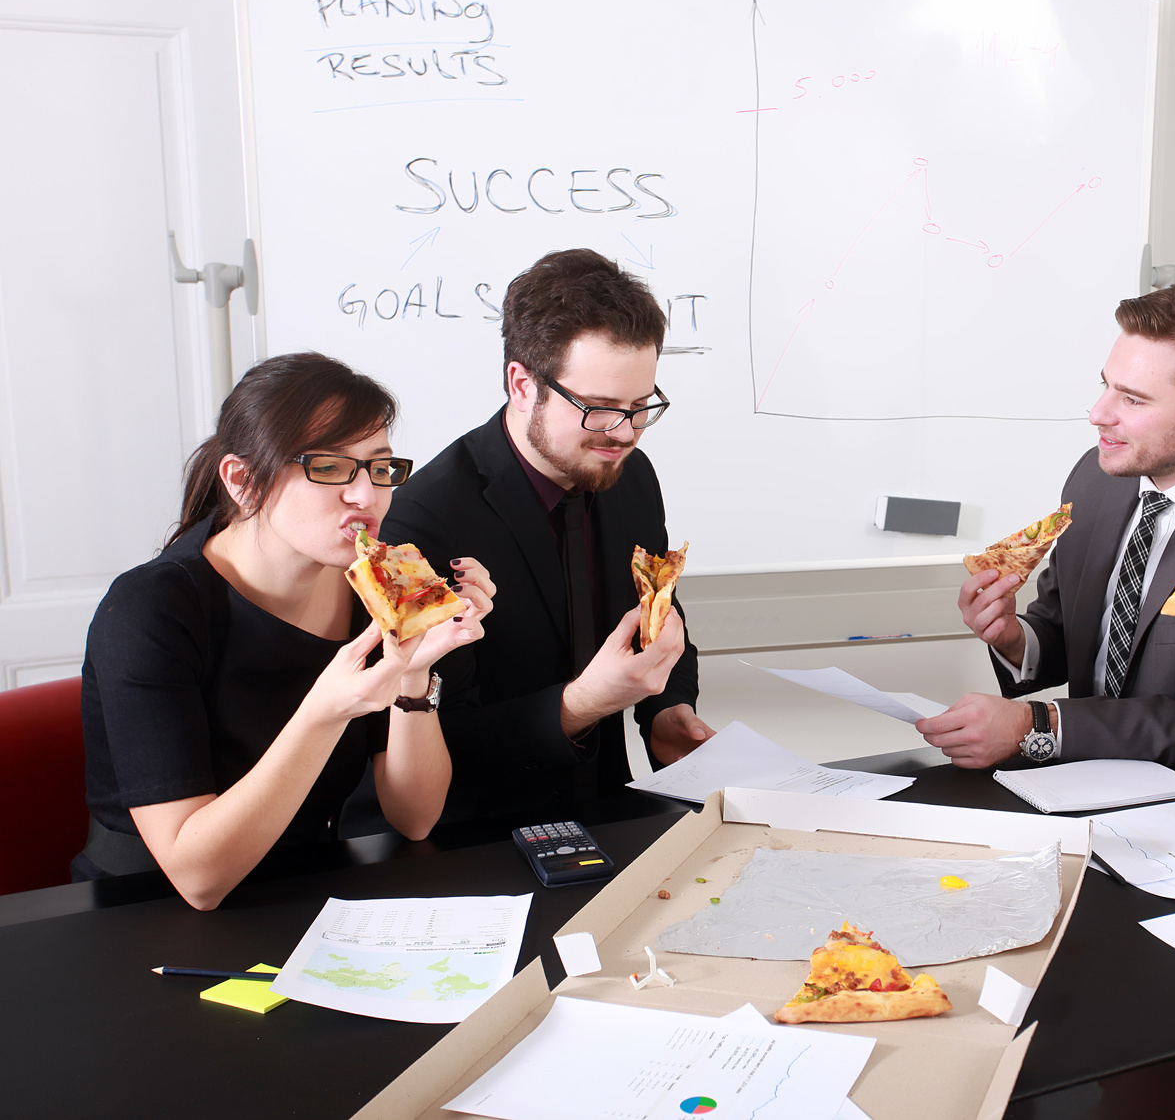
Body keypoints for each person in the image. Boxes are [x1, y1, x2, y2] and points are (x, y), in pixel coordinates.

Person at [76, 353, 494, 909]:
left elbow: (415, 819)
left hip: (305, 889)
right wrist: (325, 712)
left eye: (380, 467)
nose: (366, 496)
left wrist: (413, 674)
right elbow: (197, 880)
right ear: (243, 481)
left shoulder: (370, 590)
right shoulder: (149, 610)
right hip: (145, 909)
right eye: (327, 467)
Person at [380, 248, 713, 824]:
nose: (624, 432)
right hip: (474, 842)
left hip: (609, 813)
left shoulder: (631, 476)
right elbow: (443, 732)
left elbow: (658, 613)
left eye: (641, 407)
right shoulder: (419, 522)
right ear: (522, 383)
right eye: (600, 408)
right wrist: (580, 705)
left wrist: (667, 709)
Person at [917, 284, 1175, 775]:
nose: (1099, 414)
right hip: (1083, 781)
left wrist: (1037, 726)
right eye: (1105, 385)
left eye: (1134, 400)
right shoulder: (1098, 475)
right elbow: (1066, 629)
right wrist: (1015, 639)